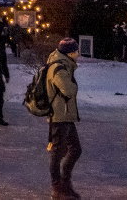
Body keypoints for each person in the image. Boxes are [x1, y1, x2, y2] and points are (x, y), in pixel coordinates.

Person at [47, 38, 82, 200]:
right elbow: (68, 90)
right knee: (58, 152)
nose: (79, 54)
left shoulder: (64, 64)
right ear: (70, 53)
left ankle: (65, 184)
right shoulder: (59, 67)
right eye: (76, 51)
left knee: (75, 149)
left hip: (65, 114)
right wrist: (75, 86)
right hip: (59, 115)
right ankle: (57, 187)